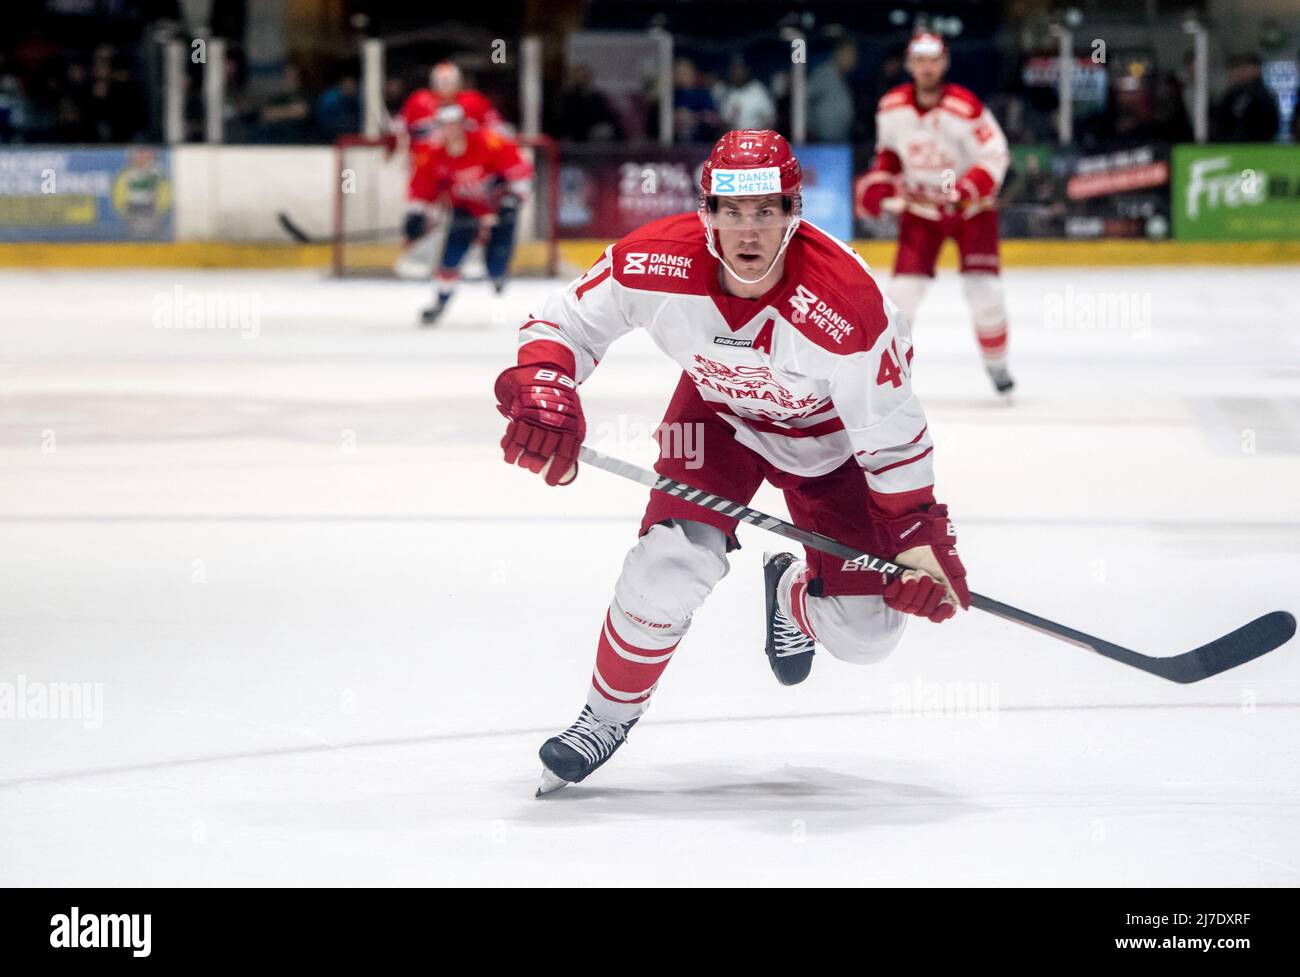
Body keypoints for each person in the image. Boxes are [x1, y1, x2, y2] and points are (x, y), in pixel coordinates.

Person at [494, 130, 971, 795]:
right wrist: (546, 381)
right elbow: (562, 323)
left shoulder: (850, 310)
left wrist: (915, 539)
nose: (749, 230)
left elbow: (891, 439)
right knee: (668, 564)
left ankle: (789, 596)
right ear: (707, 211)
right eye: (732, 211)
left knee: (867, 636)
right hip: (716, 421)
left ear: (793, 211)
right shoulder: (656, 260)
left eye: (766, 211)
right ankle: (604, 717)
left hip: (831, 449)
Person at [854, 32, 1014, 395]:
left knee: (985, 292)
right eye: (920, 60)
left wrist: (965, 190)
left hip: (972, 213)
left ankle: (998, 367)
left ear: (944, 63)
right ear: (910, 64)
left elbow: (994, 155)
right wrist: (879, 180)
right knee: (900, 296)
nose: (927, 68)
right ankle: (887, 376)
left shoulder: (966, 107)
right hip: (921, 213)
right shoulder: (891, 107)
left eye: (934, 60)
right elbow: (889, 154)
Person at [408, 104, 533, 325]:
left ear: (463, 124)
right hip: (465, 211)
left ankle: (498, 274)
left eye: (454, 124)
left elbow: (519, 171)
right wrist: (418, 215)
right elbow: (425, 189)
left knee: (495, 265)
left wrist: (511, 200)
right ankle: (440, 302)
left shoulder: (490, 141)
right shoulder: (432, 152)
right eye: (445, 125)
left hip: (499, 211)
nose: (450, 131)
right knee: (450, 259)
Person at [1212, 53, 1279, 143]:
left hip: (1252, 144)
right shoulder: (1233, 93)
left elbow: (1268, 122)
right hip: (1234, 142)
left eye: (1243, 68)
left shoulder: (1258, 93)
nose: (1238, 73)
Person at [716, 56, 776, 131]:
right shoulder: (728, 93)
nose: (737, 73)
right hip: (735, 138)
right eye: (734, 70)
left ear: (746, 71)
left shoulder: (758, 90)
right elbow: (724, 122)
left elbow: (770, 120)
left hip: (757, 137)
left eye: (740, 69)